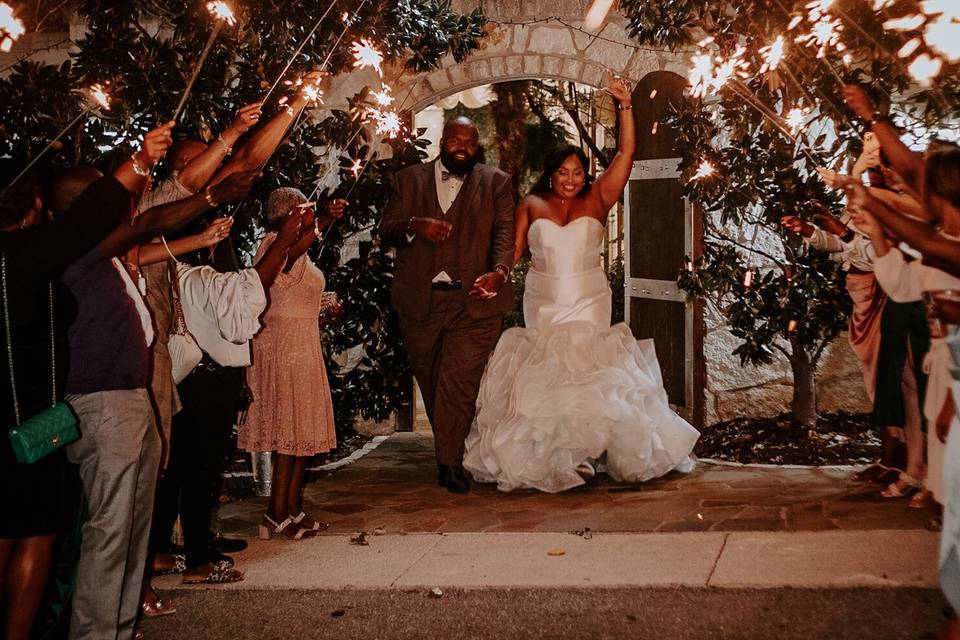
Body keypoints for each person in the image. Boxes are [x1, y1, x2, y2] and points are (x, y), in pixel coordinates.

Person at [462, 74, 699, 493]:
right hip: (546, 300)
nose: (571, 179)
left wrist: (625, 104)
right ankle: (557, 458)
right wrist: (495, 277)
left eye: (577, 172)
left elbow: (627, 151)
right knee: (549, 376)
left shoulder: (599, 198)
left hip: (589, 299)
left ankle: (587, 453)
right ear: (550, 174)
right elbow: (512, 254)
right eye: (563, 172)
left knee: (589, 371)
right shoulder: (531, 204)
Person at [0, 150, 151, 640]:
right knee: (36, 536)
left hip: (31, 411)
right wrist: (143, 159)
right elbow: (103, 213)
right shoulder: (37, 253)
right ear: (34, 207)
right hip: (28, 415)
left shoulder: (36, 256)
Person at [380, 115, 516, 494]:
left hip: (473, 303)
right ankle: (452, 448)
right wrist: (414, 225)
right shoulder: (408, 180)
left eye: (470, 143)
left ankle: (449, 464)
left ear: (477, 146)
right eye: (455, 141)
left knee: (458, 381)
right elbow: (386, 228)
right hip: (420, 302)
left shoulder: (496, 182)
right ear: (442, 142)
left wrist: (500, 272)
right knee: (432, 381)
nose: (462, 148)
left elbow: (505, 233)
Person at [239, 188, 345, 539]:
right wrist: (324, 222)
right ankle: (274, 513)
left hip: (302, 346)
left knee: (301, 433)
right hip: (282, 350)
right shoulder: (274, 243)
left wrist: (324, 310)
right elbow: (282, 262)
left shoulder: (299, 250)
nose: (314, 212)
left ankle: (294, 509)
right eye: (308, 208)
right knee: (288, 434)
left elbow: (292, 293)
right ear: (290, 213)